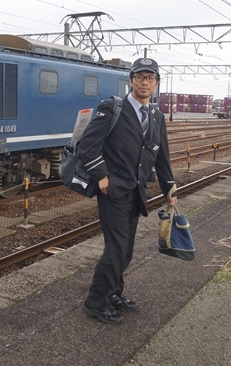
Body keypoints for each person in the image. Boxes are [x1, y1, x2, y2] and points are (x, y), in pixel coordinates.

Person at [78, 57, 178, 324]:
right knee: (116, 249)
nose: (144, 82)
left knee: (126, 249)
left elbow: (162, 156)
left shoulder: (156, 116)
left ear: (156, 83)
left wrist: (169, 188)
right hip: (113, 191)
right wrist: (101, 176)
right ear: (131, 80)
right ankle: (95, 302)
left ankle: (113, 293)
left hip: (136, 192)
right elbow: (87, 146)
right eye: (140, 77)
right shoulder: (113, 108)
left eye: (150, 78)